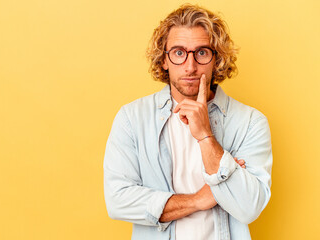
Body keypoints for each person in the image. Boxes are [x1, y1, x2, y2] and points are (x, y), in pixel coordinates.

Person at [104, 4, 272, 240]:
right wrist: (199, 200)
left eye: (202, 52)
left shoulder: (250, 122)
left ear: (217, 59)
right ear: (164, 59)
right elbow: (118, 200)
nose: (190, 66)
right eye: (179, 52)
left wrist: (205, 136)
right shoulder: (132, 118)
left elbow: (249, 208)